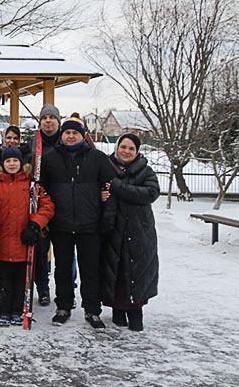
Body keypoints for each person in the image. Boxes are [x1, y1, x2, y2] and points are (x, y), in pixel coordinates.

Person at [40, 116, 115, 328]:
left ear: (83, 135)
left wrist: (106, 216)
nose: (71, 136)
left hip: (90, 225)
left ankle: (92, 310)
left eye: (75, 133)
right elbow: (41, 191)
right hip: (60, 224)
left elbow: (110, 187)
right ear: (62, 135)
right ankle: (63, 306)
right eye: (67, 133)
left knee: (90, 270)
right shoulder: (50, 158)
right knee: (62, 269)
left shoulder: (98, 158)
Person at [0, 147, 54, 327]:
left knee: (21, 279)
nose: (11, 164)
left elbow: (47, 207)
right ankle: (2, 310)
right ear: (3, 164)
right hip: (2, 241)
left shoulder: (32, 185)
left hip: (25, 242)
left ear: (20, 163)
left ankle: (19, 309)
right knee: (3, 278)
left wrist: (35, 225)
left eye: (14, 161)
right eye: (8, 161)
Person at [100, 133, 160, 332]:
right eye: (123, 147)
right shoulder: (106, 168)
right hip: (113, 229)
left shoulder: (145, 171)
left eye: (131, 148)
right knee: (115, 270)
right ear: (117, 148)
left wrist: (118, 187)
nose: (126, 151)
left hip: (138, 231)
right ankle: (117, 310)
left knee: (137, 271)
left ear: (137, 152)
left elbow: (151, 193)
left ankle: (136, 312)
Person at [24, 104, 61, 306]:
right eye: (44, 118)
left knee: (65, 254)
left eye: (52, 118)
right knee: (40, 251)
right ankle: (43, 288)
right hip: (41, 204)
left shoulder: (67, 141)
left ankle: (67, 290)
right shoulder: (33, 144)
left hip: (65, 204)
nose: (48, 121)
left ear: (58, 121)